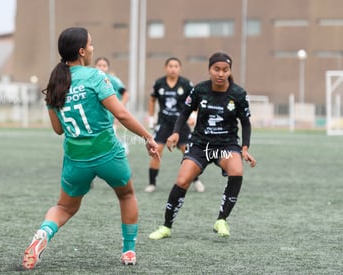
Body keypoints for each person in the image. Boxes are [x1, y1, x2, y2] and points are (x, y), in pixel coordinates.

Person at [22, 27, 160, 269]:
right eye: (91, 44)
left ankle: (43, 233)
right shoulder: (95, 76)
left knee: (64, 207)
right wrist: (148, 137)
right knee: (126, 195)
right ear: (82, 51)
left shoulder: (54, 84)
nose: (94, 48)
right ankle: (128, 251)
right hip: (107, 153)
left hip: (76, 159)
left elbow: (58, 129)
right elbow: (121, 114)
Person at [149, 52, 257, 240]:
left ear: (229, 71)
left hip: (227, 145)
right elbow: (184, 113)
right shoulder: (200, 90)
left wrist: (245, 148)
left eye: (225, 70)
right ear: (209, 70)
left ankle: (221, 219)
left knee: (237, 171)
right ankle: (166, 226)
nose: (221, 74)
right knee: (182, 181)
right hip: (200, 144)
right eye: (217, 69)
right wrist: (175, 132)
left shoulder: (238, 94)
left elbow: (245, 123)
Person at [145, 57, 204, 193]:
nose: (173, 69)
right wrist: (151, 117)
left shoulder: (186, 84)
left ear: (180, 68)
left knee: (188, 151)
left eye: (176, 66)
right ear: (166, 68)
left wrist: (193, 115)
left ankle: (196, 180)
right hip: (163, 122)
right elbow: (152, 99)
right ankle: (152, 183)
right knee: (156, 150)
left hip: (181, 124)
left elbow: (195, 101)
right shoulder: (159, 83)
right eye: (170, 66)